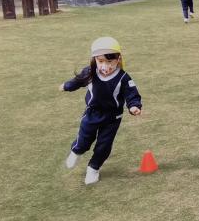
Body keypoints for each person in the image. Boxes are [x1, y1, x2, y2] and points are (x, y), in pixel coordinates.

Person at [60, 37, 142, 185]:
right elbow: (78, 81)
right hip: (92, 113)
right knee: (84, 139)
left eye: (110, 62)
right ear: (95, 60)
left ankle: (93, 168)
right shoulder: (90, 72)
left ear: (118, 59)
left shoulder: (123, 77)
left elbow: (132, 94)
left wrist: (134, 106)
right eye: (101, 61)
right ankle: (76, 151)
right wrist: (66, 86)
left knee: (104, 145)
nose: (105, 66)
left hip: (112, 118)